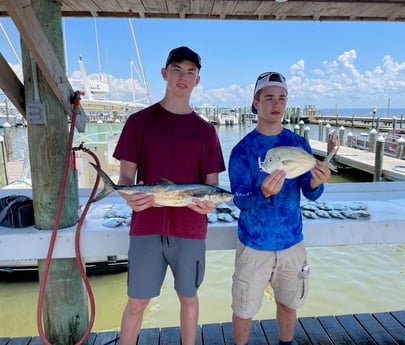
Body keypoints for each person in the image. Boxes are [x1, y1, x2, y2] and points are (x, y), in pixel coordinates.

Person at [113, 46, 226, 345]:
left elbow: (211, 185)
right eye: (177, 69)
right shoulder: (139, 122)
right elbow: (126, 178)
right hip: (146, 225)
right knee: (137, 301)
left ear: (197, 81)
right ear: (164, 73)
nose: (183, 77)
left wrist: (206, 207)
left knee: (188, 298)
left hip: (190, 229)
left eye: (191, 72)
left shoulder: (206, 132)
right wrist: (127, 195)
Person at [228, 72, 331, 345]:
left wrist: (318, 183)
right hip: (253, 244)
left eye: (282, 98)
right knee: (243, 310)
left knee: (288, 304)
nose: (276, 104)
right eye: (269, 98)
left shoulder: (299, 144)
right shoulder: (242, 150)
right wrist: (261, 192)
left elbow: (311, 192)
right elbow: (238, 198)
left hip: (292, 242)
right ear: (256, 103)